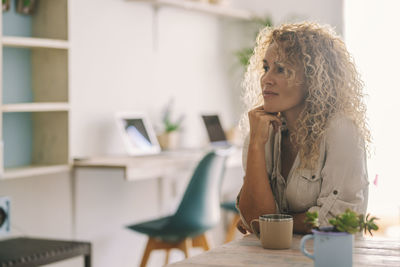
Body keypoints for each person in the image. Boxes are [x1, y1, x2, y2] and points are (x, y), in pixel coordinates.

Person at [236, 22, 370, 234]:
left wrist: (270, 221)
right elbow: (253, 218)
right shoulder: (264, 130)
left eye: (281, 69)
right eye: (266, 68)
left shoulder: (341, 130)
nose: (266, 79)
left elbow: (338, 220)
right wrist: (255, 145)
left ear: (313, 77)